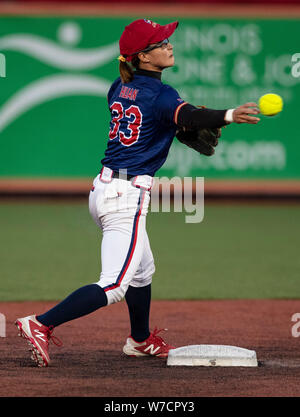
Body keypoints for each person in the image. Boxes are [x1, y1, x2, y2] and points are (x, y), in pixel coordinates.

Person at [15, 19, 260, 367]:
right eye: (160, 42)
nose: (169, 44)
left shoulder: (120, 85)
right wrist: (228, 115)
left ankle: (140, 340)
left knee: (142, 271)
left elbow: (160, 118)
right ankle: (40, 323)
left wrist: (177, 128)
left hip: (105, 188)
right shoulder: (161, 94)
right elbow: (185, 114)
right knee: (114, 285)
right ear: (143, 57)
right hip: (125, 196)